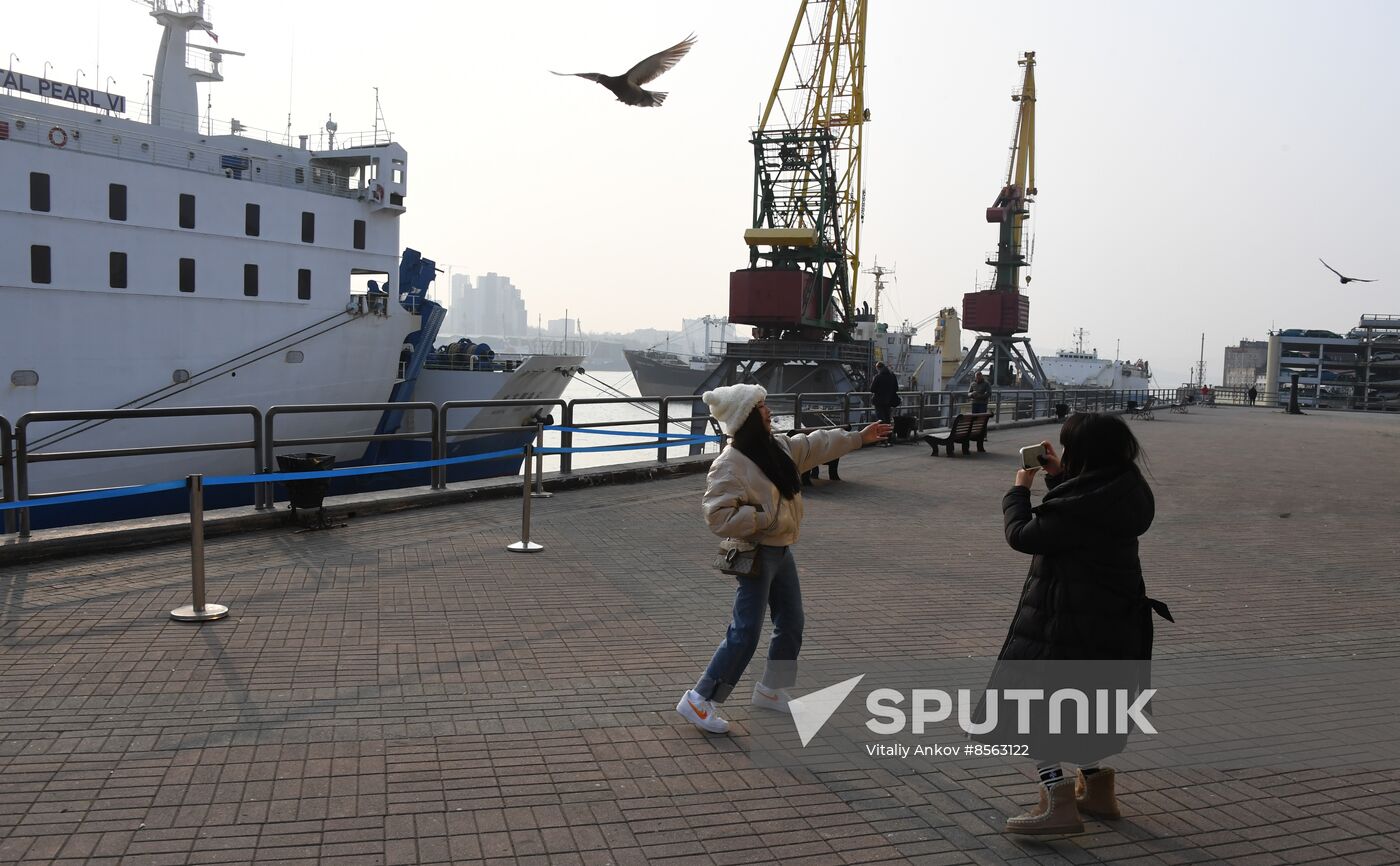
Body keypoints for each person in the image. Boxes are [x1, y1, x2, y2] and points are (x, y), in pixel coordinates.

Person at [677, 384, 891, 734]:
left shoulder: (775, 447)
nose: (768, 411)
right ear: (745, 416)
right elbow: (717, 517)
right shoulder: (729, 464)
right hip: (758, 552)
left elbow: (814, 444)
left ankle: (772, 691)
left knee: (792, 622)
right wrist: (766, 519)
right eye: (761, 406)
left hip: (782, 549)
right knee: (745, 632)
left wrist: (858, 438)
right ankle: (700, 699)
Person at [995, 413, 1172, 835]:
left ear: (1083, 453)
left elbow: (1024, 535)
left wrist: (1019, 490)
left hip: (1065, 623)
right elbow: (1081, 516)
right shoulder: (1125, 488)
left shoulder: (1082, 503)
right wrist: (1060, 479)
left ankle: (1058, 806)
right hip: (1108, 623)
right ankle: (1096, 791)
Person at [869, 362, 899, 446]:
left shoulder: (878, 377)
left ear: (878, 368)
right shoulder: (892, 376)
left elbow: (872, 389)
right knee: (887, 420)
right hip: (888, 401)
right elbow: (896, 388)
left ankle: (882, 440)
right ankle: (888, 439)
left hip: (879, 401)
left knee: (880, 420)